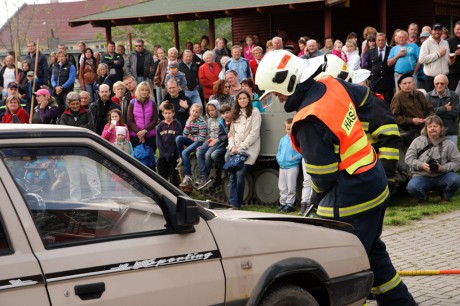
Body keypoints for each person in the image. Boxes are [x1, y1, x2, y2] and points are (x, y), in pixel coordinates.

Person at [255, 50, 417, 305]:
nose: (277, 98)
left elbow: (323, 175)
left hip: (351, 199)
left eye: (275, 93)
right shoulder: (329, 83)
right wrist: (349, 135)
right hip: (374, 183)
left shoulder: (307, 119)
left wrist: (315, 199)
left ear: (287, 81)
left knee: (342, 268)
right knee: (373, 254)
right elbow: (365, 100)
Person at [405, 115, 460, 203]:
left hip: (442, 175)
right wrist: (421, 165)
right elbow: (408, 159)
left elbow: (457, 162)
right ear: (426, 129)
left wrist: (442, 168)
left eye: (435, 126)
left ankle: (446, 197)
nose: (432, 128)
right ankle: (423, 198)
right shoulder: (417, 141)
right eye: (430, 126)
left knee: (456, 180)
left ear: (441, 128)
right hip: (421, 176)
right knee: (412, 187)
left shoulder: (448, 143)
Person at [227, 91, 261, 209]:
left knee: (240, 174)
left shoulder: (255, 113)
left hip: (248, 149)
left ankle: (239, 201)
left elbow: (254, 133)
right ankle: (232, 202)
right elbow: (231, 134)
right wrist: (232, 147)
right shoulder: (235, 114)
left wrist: (241, 147)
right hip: (235, 149)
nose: (242, 100)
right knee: (232, 175)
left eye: (244, 98)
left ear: (248, 99)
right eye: (240, 98)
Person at [390, 72, 435, 147]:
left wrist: (429, 118)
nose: (407, 85)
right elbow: (394, 117)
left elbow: (430, 109)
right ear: (400, 86)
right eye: (404, 83)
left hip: (425, 128)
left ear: (413, 83)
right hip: (409, 131)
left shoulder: (419, 93)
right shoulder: (398, 97)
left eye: (409, 83)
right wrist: (412, 120)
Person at [176, 103, 207, 187]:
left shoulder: (201, 122)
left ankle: (188, 175)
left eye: (197, 112)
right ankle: (183, 159)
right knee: (178, 138)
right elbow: (185, 135)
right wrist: (188, 123)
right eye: (193, 111)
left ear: (199, 113)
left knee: (185, 152)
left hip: (199, 142)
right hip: (193, 140)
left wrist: (192, 138)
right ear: (190, 111)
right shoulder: (190, 120)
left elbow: (202, 138)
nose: (194, 113)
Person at [424, 74, 460, 146]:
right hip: (433, 132)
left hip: (450, 131)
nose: (439, 85)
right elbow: (427, 113)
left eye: (442, 83)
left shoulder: (454, 96)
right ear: (434, 84)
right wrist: (445, 108)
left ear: (447, 84)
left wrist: (435, 112)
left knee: (452, 156)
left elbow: (455, 113)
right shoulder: (428, 95)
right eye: (437, 83)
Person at [276, 118, 302, 212]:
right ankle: (283, 203)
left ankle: (290, 204)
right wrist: (278, 158)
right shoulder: (283, 140)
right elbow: (279, 151)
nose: (289, 131)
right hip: (282, 166)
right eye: (287, 128)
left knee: (291, 186)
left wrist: (295, 158)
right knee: (282, 186)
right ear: (285, 129)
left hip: (292, 166)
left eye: (291, 128)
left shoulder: (297, 139)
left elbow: (301, 151)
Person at [127, 81, 158, 156]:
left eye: (146, 90)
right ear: (138, 91)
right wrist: (139, 132)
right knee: (137, 159)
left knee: (150, 159)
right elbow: (129, 120)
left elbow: (155, 120)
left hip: (150, 136)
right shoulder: (132, 103)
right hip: (135, 136)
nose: (144, 92)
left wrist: (145, 131)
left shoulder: (152, 103)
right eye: (142, 90)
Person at [196, 100, 222, 190]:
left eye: (213, 110)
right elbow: (208, 134)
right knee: (199, 152)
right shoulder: (209, 120)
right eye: (209, 110)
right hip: (209, 140)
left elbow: (223, 135)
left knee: (208, 155)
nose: (211, 112)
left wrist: (215, 141)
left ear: (217, 109)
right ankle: (203, 175)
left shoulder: (221, 119)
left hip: (217, 141)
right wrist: (203, 145)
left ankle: (205, 177)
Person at [419, 23, 451, 92]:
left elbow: (447, 59)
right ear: (431, 31)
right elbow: (421, 59)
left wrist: (451, 61)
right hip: (431, 78)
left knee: (444, 99)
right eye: (435, 30)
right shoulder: (426, 43)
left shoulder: (445, 43)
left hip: (444, 77)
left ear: (442, 31)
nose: (437, 32)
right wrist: (438, 54)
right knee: (430, 101)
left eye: (439, 30)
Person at [156, 102, 181, 186]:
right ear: (162, 114)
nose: (167, 115)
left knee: (173, 175)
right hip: (163, 155)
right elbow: (158, 142)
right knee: (162, 176)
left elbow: (176, 140)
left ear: (173, 113)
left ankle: (174, 192)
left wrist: (171, 153)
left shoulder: (177, 125)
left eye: (169, 113)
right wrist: (163, 153)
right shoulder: (160, 126)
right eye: (165, 113)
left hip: (173, 154)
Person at [368, 32, 395, 105]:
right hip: (375, 82)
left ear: (386, 40)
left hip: (388, 82)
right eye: (378, 40)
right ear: (376, 41)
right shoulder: (370, 52)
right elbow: (369, 66)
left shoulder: (391, 50)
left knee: (389, 103)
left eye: (382, 40)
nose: (380, 42)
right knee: (375, 103)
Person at [447, 21, 460, 91]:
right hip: (453, 73)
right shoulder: (449, 41)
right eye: (457, 29)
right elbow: (445, 57)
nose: (459, 31)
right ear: (454, 29)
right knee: (453, 94)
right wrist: (455, 54)